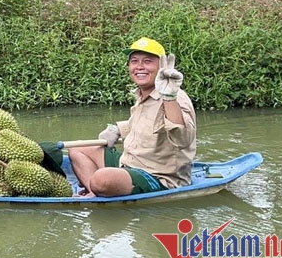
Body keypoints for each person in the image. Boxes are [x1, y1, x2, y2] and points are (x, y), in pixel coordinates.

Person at [68, 37, 196, 197]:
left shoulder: (175, 96)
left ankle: (96, 189)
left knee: (102, 178)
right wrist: (117, 129)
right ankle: (94, 193)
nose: (139, 67)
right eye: (134, 61)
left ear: (162, 67)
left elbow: (183, 139)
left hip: (158, 176)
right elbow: (142, 125)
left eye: (148, 61)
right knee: (77, 149)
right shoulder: (142, 95)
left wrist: (169, 97)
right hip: (130, 163)